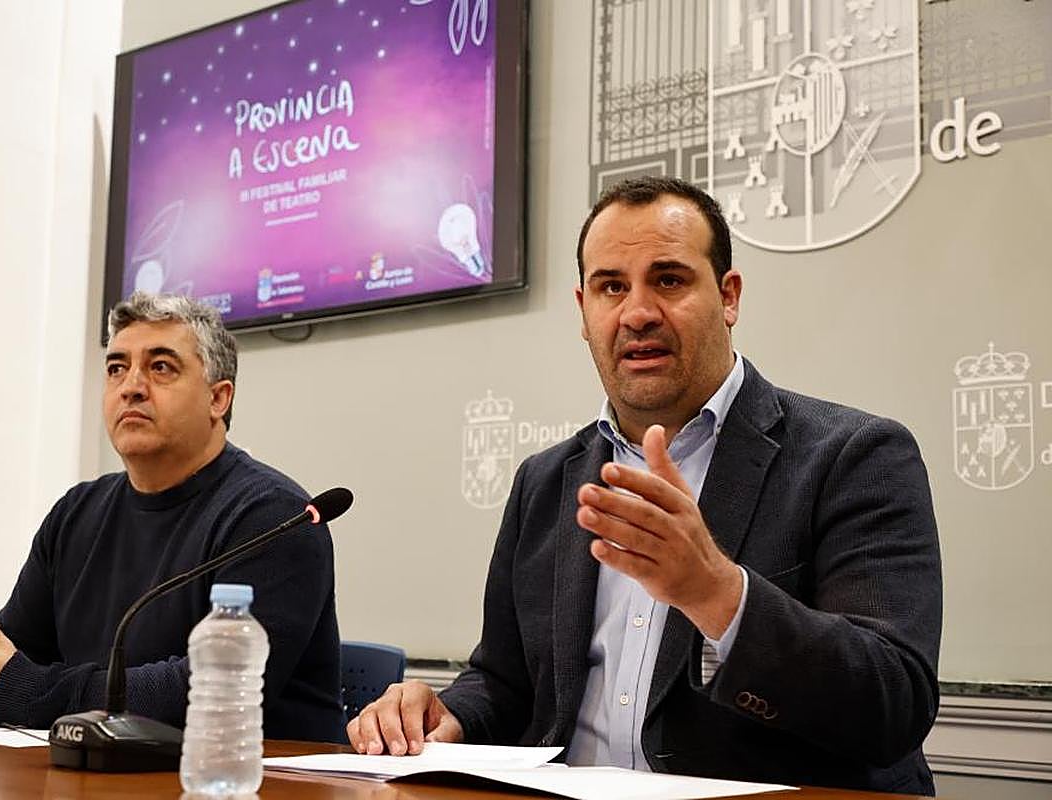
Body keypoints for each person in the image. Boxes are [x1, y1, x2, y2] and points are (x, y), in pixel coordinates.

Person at [347, 177, 942, 794]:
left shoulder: (855, 455)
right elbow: (506, 682)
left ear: (728, 296)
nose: (636, 313)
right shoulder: (545, 481)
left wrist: (718, 594)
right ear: (584, 312)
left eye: (669, 280)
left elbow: (894, 703)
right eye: (611, 287)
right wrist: (450, 716)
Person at [0, 293, 345, 741]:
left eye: (161, 367)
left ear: (218, 398)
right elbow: (11, 661)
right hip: (95, 774)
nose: (131, 386)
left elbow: (216, 689)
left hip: (255, 781)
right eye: (116, 368)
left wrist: (18, 692)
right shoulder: (75, 514)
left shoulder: (274, 518)